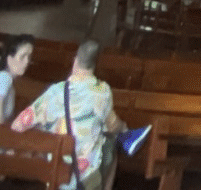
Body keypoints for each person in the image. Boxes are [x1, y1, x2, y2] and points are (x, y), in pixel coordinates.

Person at [12, 40, 122, 190]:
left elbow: (18, 125)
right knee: (110, 147)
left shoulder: (56, 92)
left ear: (75, 61)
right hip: (87, 177)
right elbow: (112, 125)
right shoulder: (103, 92)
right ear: (95, 65)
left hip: (58, 175)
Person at [0, 34, 35, 120]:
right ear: (9, 59)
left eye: (29, 57)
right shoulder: (4, 78)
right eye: (23, 56)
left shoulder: (7, 80)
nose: (27, 62)